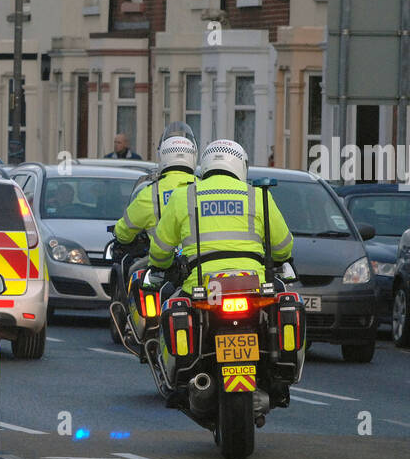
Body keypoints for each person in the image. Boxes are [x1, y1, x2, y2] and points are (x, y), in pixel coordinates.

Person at [146, 137, 293, 295]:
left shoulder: (184, 195)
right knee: (284, 302)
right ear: (241, 165)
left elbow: (160, 249)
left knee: (171, 308)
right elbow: (283, 245)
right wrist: (277, 259)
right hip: (254, 284)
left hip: (201, 286)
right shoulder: (257, 195)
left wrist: (162, 265)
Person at [109, 135, 197, 351]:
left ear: (163, 158)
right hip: (198, 261)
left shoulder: (151, 193)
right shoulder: (202, 188)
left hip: (160, 258)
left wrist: (122, 240)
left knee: (134, 273)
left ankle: (141, 326)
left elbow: (124, 229)